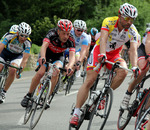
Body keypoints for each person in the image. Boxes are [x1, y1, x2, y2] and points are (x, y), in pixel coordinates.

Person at [69, 3, 139, 127]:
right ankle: (76, 112)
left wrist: (134, 66)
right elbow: (103, 39)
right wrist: (102, 54)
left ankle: (104, 96)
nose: (129, 22)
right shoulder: (109, 22)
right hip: (99, 51)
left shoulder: (132, 30)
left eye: (132, 19)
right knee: (90, 80)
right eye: (127, 18)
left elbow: (133, 50)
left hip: (114, 54)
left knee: (123, 71)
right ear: (119, 15)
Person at [21, 19, 76, 108]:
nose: (66, 36)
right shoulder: (52, 34)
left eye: (68, 33)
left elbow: (72, 55)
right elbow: (44, 46)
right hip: (46, 54)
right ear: (58, 31)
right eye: (63, 33)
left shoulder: (71, 40)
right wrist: (42, 57)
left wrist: (69, 66)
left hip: (58, 57)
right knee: (40, 73)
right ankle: (29, 95)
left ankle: (47, 97)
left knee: (56, 71)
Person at [0, 22, 32, 103]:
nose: (23, 38)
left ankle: (3, 92)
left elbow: (25, 59)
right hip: (5, 52)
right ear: (18, 33)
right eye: (22, 35)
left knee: (13, 70)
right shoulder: (10, 35)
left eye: (26, 36)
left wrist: (20, 70)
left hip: (16, 56)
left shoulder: (28, 43)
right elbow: (1, 46)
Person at [120, 24, 150, 110]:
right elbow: (148, 42)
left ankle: (145, 111)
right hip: (144, 51)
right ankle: (128, 94)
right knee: (144, 69)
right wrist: (148, 55)